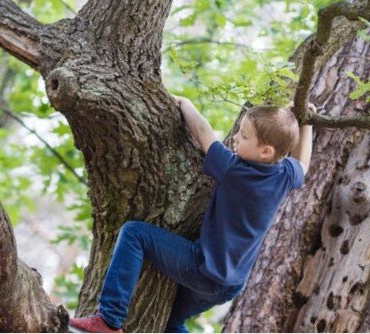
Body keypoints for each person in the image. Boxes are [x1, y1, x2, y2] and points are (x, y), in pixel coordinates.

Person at [69, 95, 314, 333]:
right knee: (170, 323)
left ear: (266, 152)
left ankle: (109, 321)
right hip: (230, 285)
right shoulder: (285, 176)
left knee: (134, 233)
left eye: (244, 136)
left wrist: (187, 105)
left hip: (203, 268)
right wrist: (306, 123)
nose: (237, 138)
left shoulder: (233, 170)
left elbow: (204, 136)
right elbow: (303, 163)